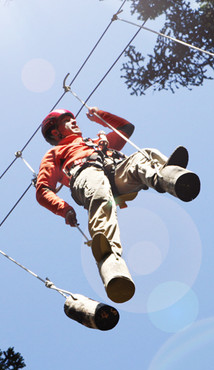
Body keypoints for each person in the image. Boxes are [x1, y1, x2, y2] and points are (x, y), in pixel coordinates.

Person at [35, 107, 200, 302]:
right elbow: (43, 188)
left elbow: (126, 128)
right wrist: (64, 209)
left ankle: (170, 178)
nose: (75, 121)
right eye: (67, 120)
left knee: (145, 155)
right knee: (101, 198)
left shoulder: (96, 143)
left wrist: (100, 115)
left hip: (115, 172)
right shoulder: (56, 152)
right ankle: (111, 265)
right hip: (86, 174)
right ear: (55, 131)